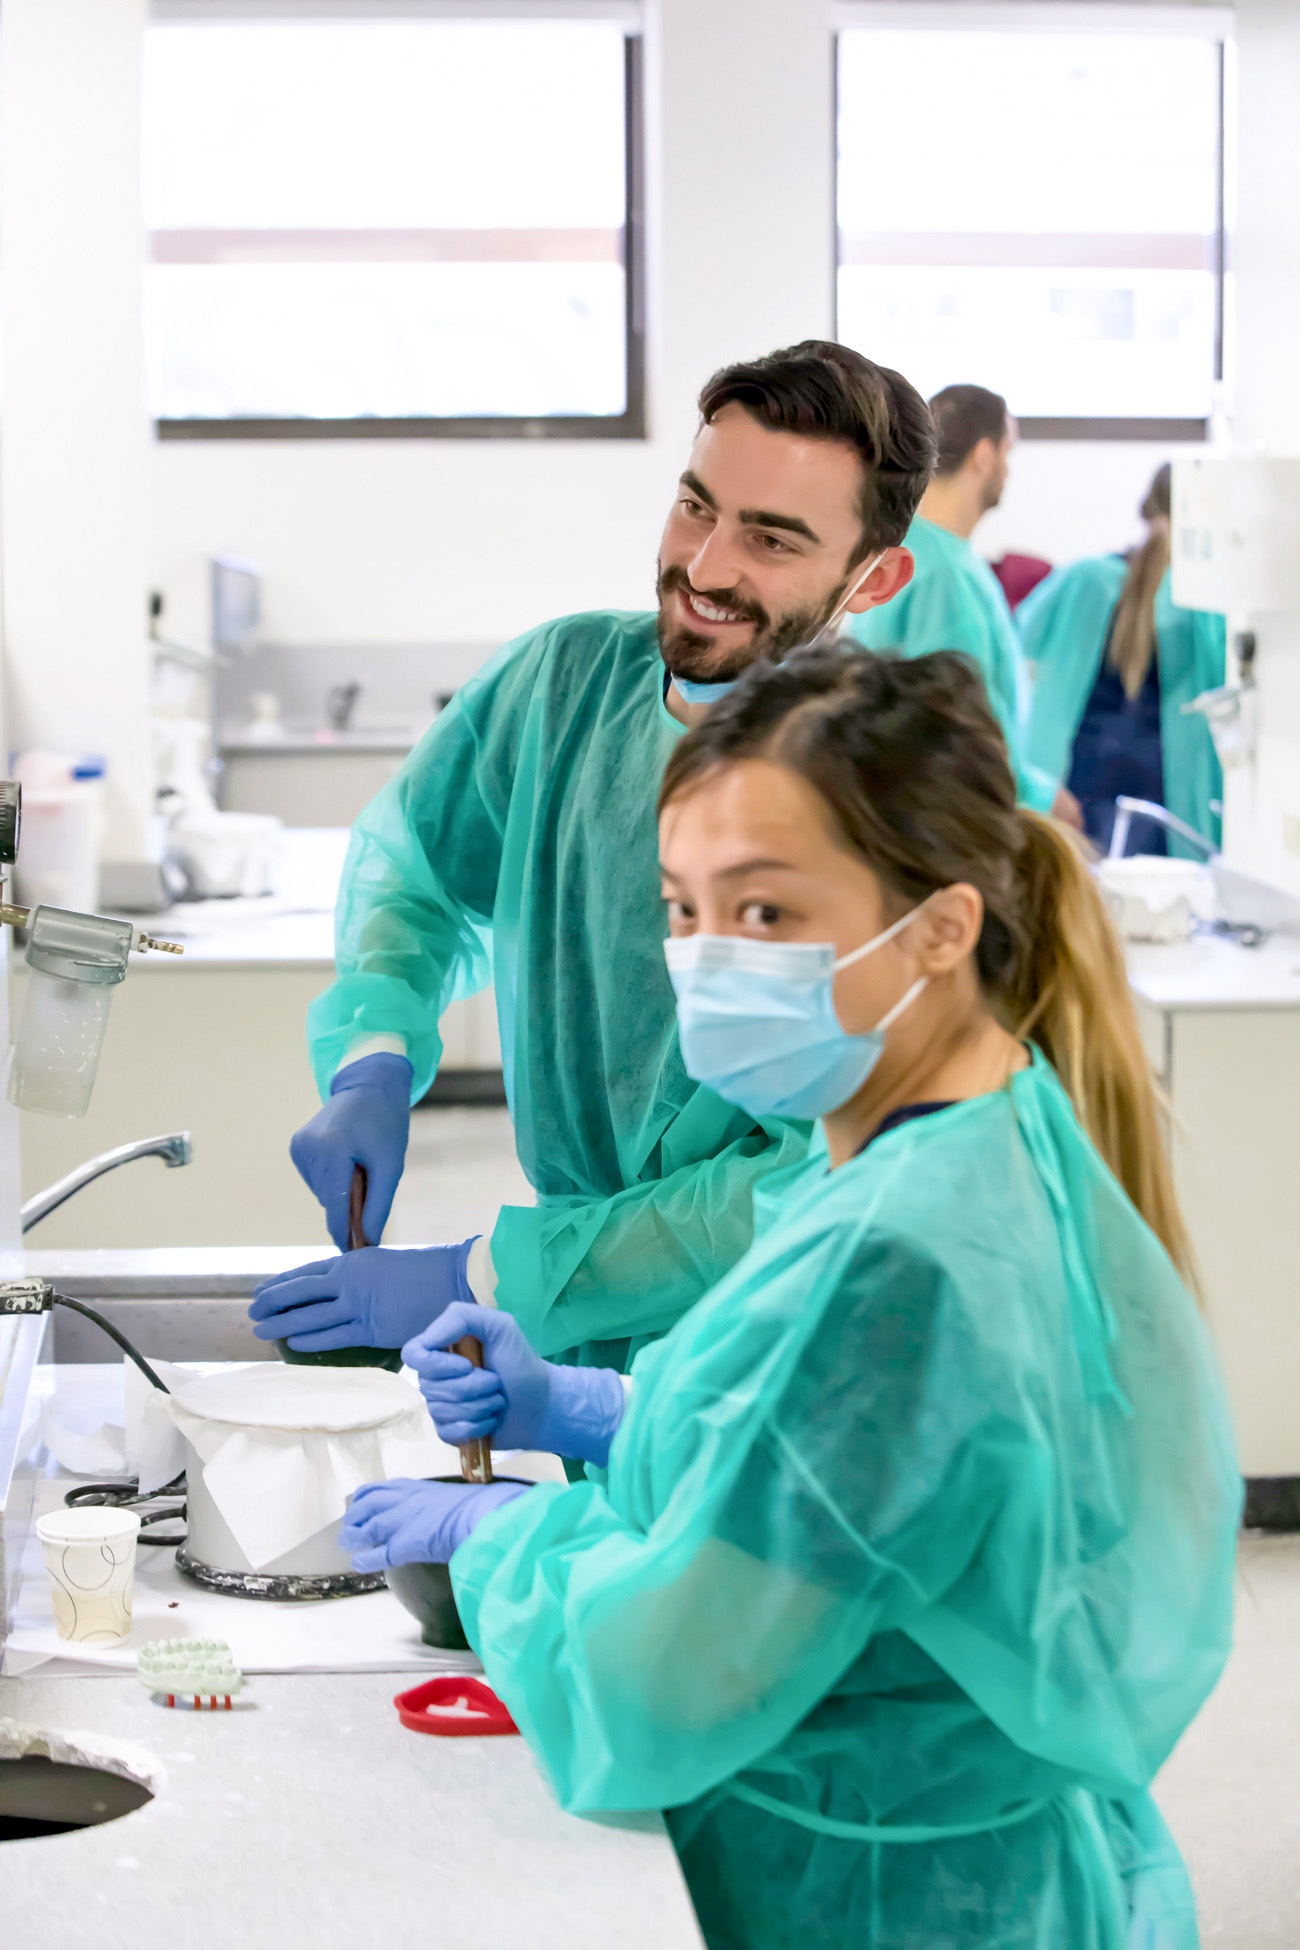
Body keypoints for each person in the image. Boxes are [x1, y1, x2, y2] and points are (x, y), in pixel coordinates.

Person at [341, 649, 1240, 1950]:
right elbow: (863, 1469)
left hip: (896, 1898)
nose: (703, 966)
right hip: (1011, 1857)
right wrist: (598, 1409)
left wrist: (496, 1546)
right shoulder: (969, 1120)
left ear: (940, 923)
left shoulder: (899, 1251)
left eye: (763, 914)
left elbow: (661, 1681)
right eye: (683, 909)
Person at [250, 343, 935, 1382]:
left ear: (874, 578)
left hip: (775, 1349)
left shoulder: (890, 806)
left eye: (771, 540)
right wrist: (374, 1053)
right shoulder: (562, 688)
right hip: (583, 1334)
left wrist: (488, 1276)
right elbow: (418, 872)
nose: (705, 569)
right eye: (696, 507)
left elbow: (807, 1174)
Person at [845, 383, 1078, 826]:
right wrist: (1040, 796)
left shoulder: (913, 551)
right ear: (985, 455)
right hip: (948, 817)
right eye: (1009, 453)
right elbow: (953, 729)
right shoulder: (942, 575)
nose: (1009, 471)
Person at [1022, 464, 1226, 857]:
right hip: (1166, 799)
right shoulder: (1202, 604)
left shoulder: (1084, 578)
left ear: (1147, 508)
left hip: (1076, 785)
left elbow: (1022, 637)